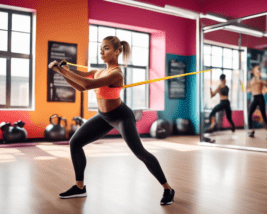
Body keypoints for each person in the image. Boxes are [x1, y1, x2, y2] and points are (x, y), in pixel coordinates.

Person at [48, 36, 175, 205]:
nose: (102, 51)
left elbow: (86, 84)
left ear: (116, 52)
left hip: (121, 116)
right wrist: (64, 71)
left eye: (106, 48)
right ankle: (80, 187)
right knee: (75, 143)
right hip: (103, 116)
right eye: (101, 48)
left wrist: (61, 70)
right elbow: (79, 86)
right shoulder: (98, 72)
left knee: (140, 153)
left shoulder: (116, 74)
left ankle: (168, 189)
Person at [246, 64, 267, 140]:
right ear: (254, 72)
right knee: (249, 114)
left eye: (259, 70)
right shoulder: (251, 81)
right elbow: (247, 89)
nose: (258, 71)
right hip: (254, 98)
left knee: (263, 115)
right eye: (257, 70)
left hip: (260, 98)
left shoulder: (261, 81)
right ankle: (251, 131)